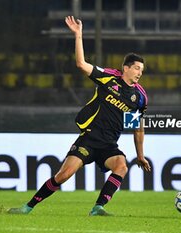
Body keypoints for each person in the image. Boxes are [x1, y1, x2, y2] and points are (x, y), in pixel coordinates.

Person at [8, 16, 151, 216]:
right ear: (125, 67)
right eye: (136, 68)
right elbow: (81, 64)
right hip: (89, 139)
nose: (139, 73)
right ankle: (28, 206)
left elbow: (138, 128)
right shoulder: (109, 77)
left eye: (142, 70)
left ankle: (98, 207)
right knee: (63, 175)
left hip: (109, 144)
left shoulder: (140, 97)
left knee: (121, 166)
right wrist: (78, 35)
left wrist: (141, 155)